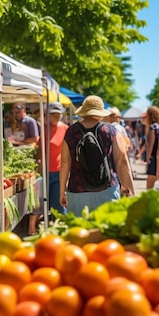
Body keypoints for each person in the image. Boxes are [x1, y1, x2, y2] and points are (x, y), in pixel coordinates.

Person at [59, 95, 135, 216]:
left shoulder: (71, 131)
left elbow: (64, 163)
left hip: (77, 189)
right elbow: (122, 161)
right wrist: (129, 188)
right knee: (107, 231)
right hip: (107, 188)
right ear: (100, 113)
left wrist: (62, 191)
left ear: (83, 112)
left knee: (80, 231)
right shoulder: (110, 130)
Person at [28, 102, 68, 235]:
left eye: (58, 114)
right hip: (43, 171)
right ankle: (32, 228)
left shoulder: (66, 129)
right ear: (47, 115)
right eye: (53, 114)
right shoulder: (43, 129)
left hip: (58, 171)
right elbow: (39, 149)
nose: (56, 116)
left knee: (58, 203)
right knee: (39, 201)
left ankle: (61, 230)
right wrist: (35, 165)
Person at [141, 106, 159, 189]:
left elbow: (150, 144)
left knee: (149, 186)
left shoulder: (153, 127)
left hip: (153, 157)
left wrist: (147, 157)